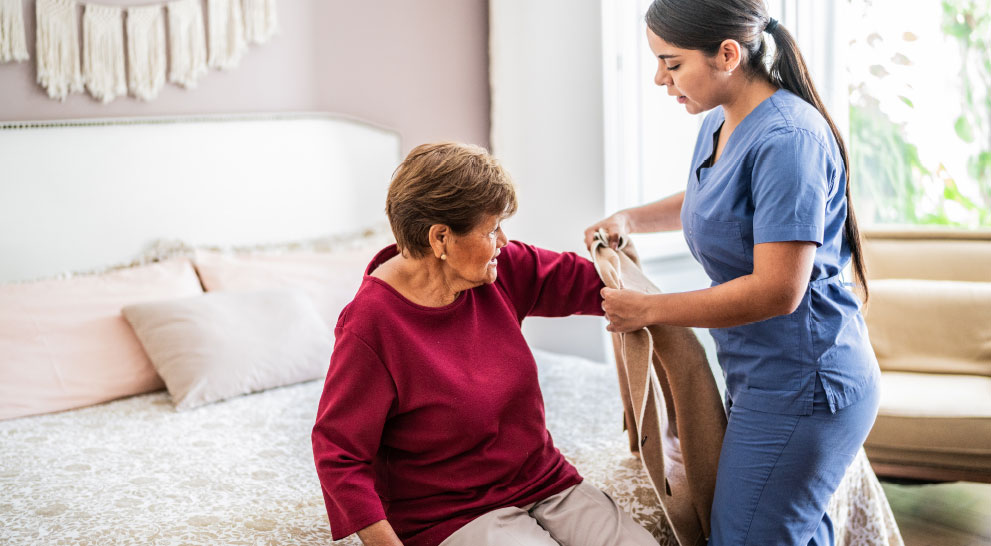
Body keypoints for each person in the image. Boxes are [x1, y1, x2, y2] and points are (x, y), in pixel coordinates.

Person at [584, 1, 881, 545]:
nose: (658, 78)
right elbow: (713, 198)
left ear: (727, 54)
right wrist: (632, 219)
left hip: (805, 384)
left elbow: (778, 290)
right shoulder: (724, 120)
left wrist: (648, 309)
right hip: (762, 374)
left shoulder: (789, 139)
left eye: (671, 64)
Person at [312, 142, 657, 546]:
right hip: (450, 513)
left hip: (544, 480)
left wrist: (627, 260)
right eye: (492, 229)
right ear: (440, 238)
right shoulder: (371, 325)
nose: (504, 240)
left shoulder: (500, 269)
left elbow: (600, 286)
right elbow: (339, 453)